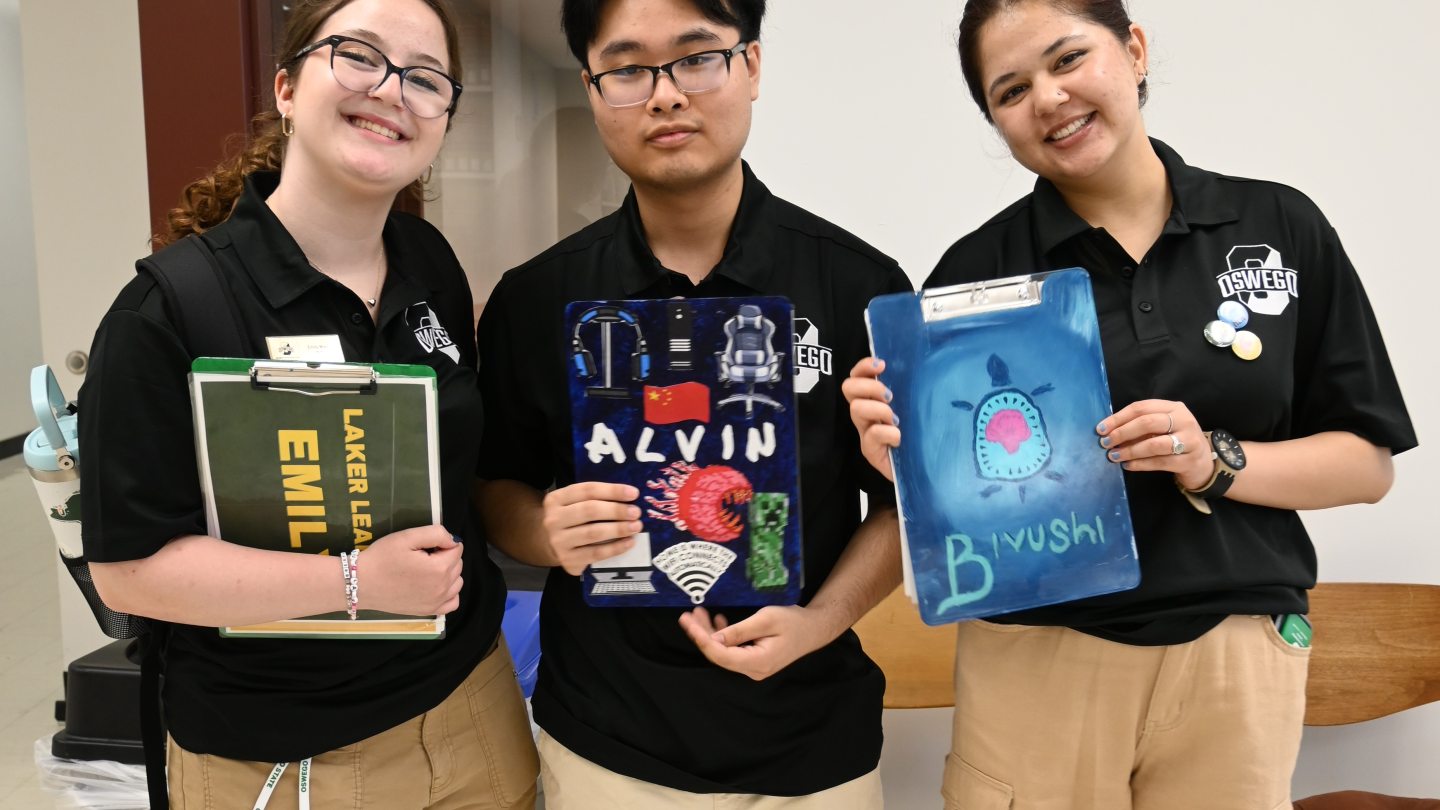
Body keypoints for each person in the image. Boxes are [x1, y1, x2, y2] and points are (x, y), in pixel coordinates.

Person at [843, 1, 1417, 808]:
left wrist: (1212, 460)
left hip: (1234, 655)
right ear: (996, 121)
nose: (1047, 97)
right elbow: (955, 503)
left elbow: (1366, 465)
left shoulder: (1279, 226)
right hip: (1035, 659)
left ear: (1135, 50)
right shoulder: (973, 275)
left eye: (1069, 58)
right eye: (1010, 91)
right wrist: (906, 464)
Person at [78, 1, 539, 807]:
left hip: (473, 707)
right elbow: (129, 573)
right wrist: (357, 582)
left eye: (426, 79)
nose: (393, 90)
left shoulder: (428, 263)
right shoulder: (171, 311)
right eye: (359, 56)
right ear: (287, 87)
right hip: (287, 753)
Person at [474, 0, 911, 806]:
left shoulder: (859, 284)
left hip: (813, 742)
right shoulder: (537, 299)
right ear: (593, 87)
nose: (666, 95)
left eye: (697, 57)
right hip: (610, 741)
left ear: (750, 66)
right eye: (629, 69)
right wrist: (545, 530)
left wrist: (820, 622)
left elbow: (898, 506)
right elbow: (495, 486)